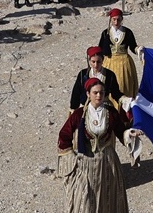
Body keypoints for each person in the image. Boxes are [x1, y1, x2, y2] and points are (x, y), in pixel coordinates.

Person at [57, 78, 133, 213]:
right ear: (88, 94)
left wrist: (129, 134)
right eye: (95, 92)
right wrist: (71, 157)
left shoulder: (111, 112)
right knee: (84, 198)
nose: (99, 95)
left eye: (102, 92)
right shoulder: (80, 114)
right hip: (86, 162)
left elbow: (121, 132)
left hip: (107, 162)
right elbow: (64, 135)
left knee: (109, 197)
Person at [98, 8, 141, 99]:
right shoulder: (105, 33)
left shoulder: (128, 32)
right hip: (109, 62)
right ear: (110, 19)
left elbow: (133, 46)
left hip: (124, 63)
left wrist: (138, 50)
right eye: (114, 19)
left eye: (118, 19)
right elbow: (100, 49)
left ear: (122, 19)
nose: (116, 22)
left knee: (123, 84)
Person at [69, 47, 128, 112]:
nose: (96, 65)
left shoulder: (109, 75)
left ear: (102, 60)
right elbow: (76, 93)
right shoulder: (83, 74)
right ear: (89, 61)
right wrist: (73, 108)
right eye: (93, 62)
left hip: (104, 107)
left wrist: (124, 99)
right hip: (86, 108)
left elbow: (115, 92)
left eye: (98, 62)